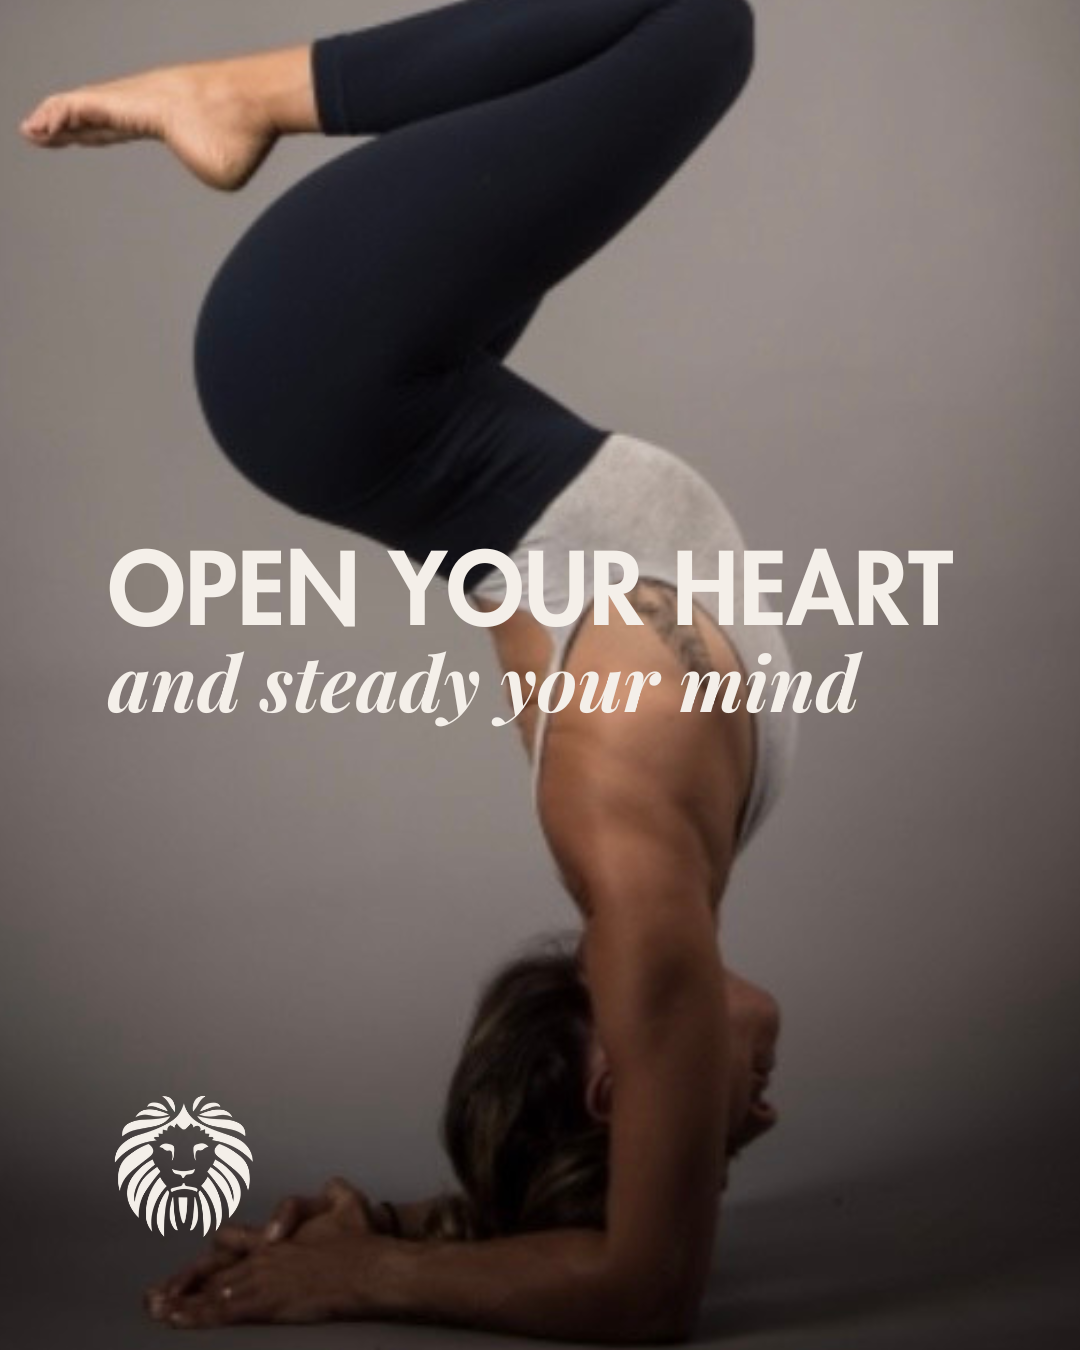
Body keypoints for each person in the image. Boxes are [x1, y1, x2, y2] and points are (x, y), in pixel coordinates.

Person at [21, 0, 797, 1339]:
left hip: (334, 369)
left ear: (624, 1078)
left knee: (697, 25)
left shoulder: (640, 883)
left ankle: (240, 95)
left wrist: (364, 1272)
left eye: (717, 1131)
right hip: (403, 378)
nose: (758, 1115)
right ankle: (244, 93)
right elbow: (608, 1239)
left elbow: (646, 1285)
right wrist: (417, 1220)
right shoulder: (670, 855)